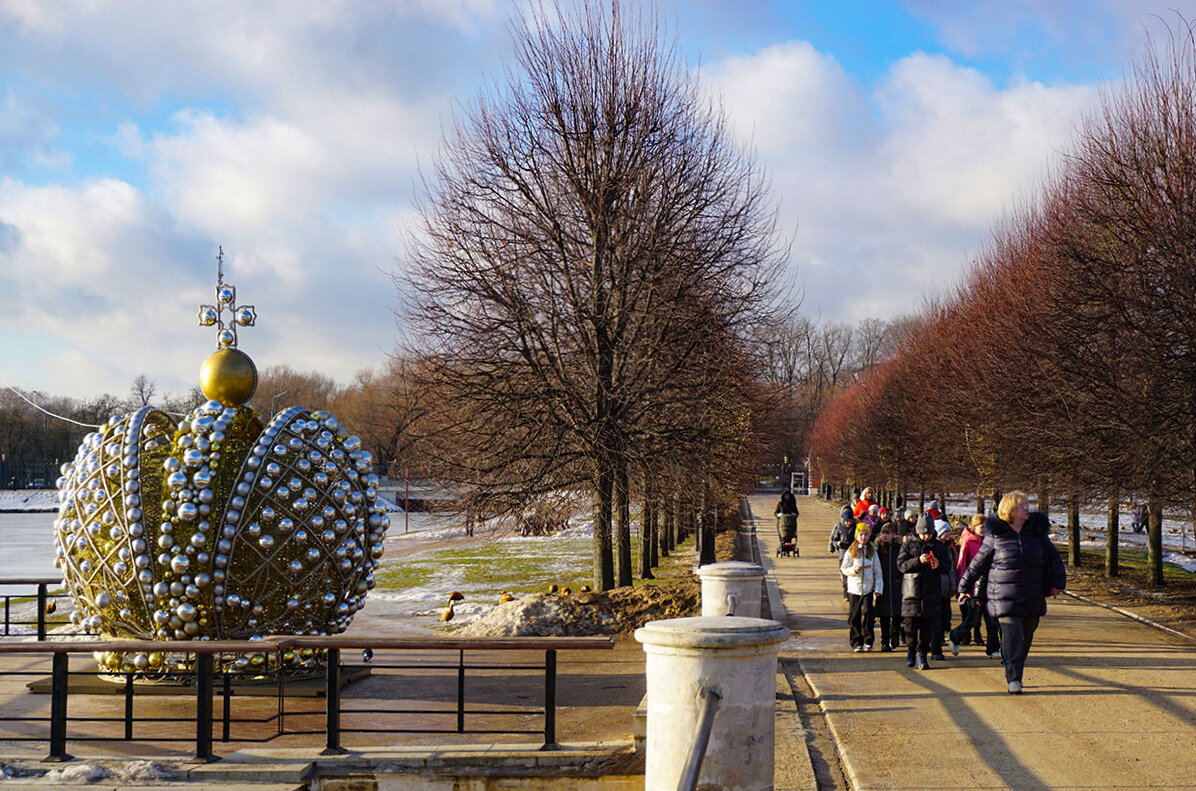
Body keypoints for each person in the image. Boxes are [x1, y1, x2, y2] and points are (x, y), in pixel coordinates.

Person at [958, 491, 1066, 694]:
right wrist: (964, 587)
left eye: (1027, 504)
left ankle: (1011, 660)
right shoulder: (996, 535)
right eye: (1022, 505)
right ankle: (1014, 678)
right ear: (1010, 510)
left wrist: (1057, 583)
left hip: (1032, 594)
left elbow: (1054, 559)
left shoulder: (1037, 533)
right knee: (1012, 635)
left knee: (1026, 636)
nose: (1027, 508)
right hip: (1003, 596)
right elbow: (978, 564)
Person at [897, 514, 950, 670]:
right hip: (911, 593)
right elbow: (901, 565)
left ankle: (922, 653)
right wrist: (917, 561)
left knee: (928, 626)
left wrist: (938, 563)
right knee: (910, 626)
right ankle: (911, 649)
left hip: (931, 592)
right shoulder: (908, 545)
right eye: (923, 533)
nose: (926, 536)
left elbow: (947, 566)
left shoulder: (939, 546)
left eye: (929, 533)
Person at [950, 514, 999, 656]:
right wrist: (963, 587)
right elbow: (962, 566)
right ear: (973, 527)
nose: (984, 529)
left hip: (990, 586)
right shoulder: (968, 542)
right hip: (973, 586)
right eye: (981, 527)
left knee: (992, 620)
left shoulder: (991, 542)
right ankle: (955, 636)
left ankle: (993, 648)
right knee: (973, 619)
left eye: (986, 527)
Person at [841, 523, 882, 651]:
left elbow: (877, 572)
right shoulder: (851, 551)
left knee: (869, 614)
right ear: (856, 536)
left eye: (865, 534)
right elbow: (843, 568)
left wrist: (878, 589)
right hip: (854, 588)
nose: (863, 537)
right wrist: (854, 570)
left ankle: (868, 640)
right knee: (855, 615)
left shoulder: (872, 551)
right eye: (861, 534)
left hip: (868, 588)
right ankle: (856, 641)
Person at [873, 521, 902, 651]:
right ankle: (885, 641)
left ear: (893, 534)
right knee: (884, 616)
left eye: (888, 534)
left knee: (896, 615)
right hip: (883, 585)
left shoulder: (899, 548)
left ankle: (895, 637)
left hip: (896, 586)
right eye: (883, 533)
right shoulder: (877, 548)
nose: (885, 536)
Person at [932, 520, 956, 660]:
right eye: (945, 531)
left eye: (949, 531)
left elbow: (952, 569)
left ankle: (942, 637)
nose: (948, 534)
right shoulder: (937, 548)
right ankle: (937, 642)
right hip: (938, 587)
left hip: (948, 587)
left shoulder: (951, 548)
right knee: (938, 617)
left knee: (946, 615)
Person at [829, 506, 855, 600]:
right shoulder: (839, 527)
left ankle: (851, 593)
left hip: (853, 554)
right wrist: (837, 543)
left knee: (852, 575)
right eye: (847, 521)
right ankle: (845, 594)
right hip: (843, 554)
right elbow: (834, 540)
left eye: (850, 521)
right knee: (844, 576)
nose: (848, 523)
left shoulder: (855, 528)